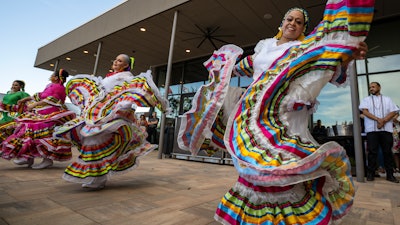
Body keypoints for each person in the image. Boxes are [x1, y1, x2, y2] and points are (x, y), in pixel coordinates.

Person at [178, 0, 373, 224]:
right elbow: (243, 66)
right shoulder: (264, 47)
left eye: (299, 22)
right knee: (256, 166)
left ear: (303, 29)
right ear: (282, 23)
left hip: (287, 115)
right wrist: (220, 69)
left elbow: (330, 68)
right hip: (254, 115)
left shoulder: (302, 49)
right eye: (290, 19)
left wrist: (347, 53)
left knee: (281, 165)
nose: (293, 24)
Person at [54, 54, 169, 189]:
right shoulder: (110, 77)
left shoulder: (127, 78)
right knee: (89, 140)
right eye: (115, 59)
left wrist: (120, 110)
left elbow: (127, 96)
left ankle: (99, 179)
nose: (115, 62)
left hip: (111, 116)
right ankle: (97, 177)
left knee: (95, 141)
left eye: (119, 61)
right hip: (98, 115)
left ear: (126, 65)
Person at [0, 69, 75, 169]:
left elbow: (51, 99)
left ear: (56, 77)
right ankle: (28, 157)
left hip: (50, 114)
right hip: (41, 112)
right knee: (28, 130)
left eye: (52, 75)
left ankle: (47, 160)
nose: (50, 76)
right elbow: (40, 95)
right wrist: (25, 99)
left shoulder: (59, 87)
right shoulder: (50, 86)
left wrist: (35, 104)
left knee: (43, 134)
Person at [359, 82, 399, 183]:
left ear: (379, 87)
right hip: (372, 130)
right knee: (372, 152)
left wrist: (384, 121)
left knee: (387, 152)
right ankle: (370, 174)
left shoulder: (387, 99)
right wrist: (378, 120)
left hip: (386, 130)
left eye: (373, 87)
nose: (371, 89)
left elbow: (394, 111)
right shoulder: (366, 100)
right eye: (370, 87)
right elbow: (365, 112)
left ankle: (390, 175)